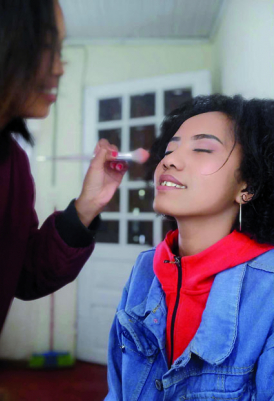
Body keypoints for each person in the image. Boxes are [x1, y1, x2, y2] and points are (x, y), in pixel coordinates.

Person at [0, 0, 127, 385]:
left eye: (60, 50)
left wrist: (86, 207)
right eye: (46, 47)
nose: (59, 67)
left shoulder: (13, 165)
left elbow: (21, 273)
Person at [105, 94, 274, 400]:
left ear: (247, 186)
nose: (168, 160)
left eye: (201, 148)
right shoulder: (145, 269)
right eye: (169, 149)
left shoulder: (268, 288)